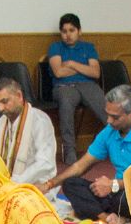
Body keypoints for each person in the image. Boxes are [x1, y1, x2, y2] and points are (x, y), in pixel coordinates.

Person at [42, 85, 131, 222]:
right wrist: (50, 184)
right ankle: (107, 218)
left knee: (125, 199)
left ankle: (101, 212)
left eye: (115, 117)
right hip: (115, 192)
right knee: (71, 183)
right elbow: (80, 166)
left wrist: (114, 184)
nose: (108, 121)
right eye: (108, 115)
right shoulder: (110, 131)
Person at [45, 12, 106, 165]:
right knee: (66, 107)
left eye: (72, 30)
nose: (68, 35)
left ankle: (121, 145)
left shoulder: (88, 47)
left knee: (106, 109)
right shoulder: (55, 47)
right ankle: (70, 152)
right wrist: (83, 68)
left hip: (87, 85)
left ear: (79, 31)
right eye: (64, 31)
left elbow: (95, 73)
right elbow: (58, 72)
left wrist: (71, 63)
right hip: (63, 87)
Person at [0, 77, 58, 190]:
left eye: (4, 101)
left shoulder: (40, 121)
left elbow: (45, 163)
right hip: (5, 187)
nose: (0, 108)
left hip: (35, 187)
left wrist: (15, 183)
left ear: (19, 96)